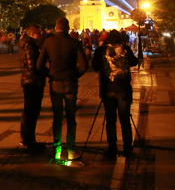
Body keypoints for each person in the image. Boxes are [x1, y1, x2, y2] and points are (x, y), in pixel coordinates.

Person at [37, 18, 88, 160]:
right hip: (70, 82)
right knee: (71, 117)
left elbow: (39, 65)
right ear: (68, 28)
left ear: (55, 28)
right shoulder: (74, 42)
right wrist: (74, 76)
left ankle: (57, 150)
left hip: (55, 83)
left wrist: (50, 75)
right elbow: (84, 65)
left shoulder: (48, 42)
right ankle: (71, 150)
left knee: (57, 117)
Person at [92, 29, 138, 158]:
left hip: (108, 89)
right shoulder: (125, 49)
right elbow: (134, 62)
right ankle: (128, 148)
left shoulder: (101, 50)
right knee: (125, 119)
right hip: (123, 89)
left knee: (110, 120)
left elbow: (95, 66)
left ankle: (112, 148)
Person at [18, 25, 46, 150]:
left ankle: (27, 139)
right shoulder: (30, 46)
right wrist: (44, 75)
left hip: (28, 81)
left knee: (29, 111)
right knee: (31, 112)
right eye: (39, 33)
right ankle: (28, 140)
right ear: (32, 34)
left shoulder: (27, 44)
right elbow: (32, 66)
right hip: (32, 82)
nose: (41, 35)